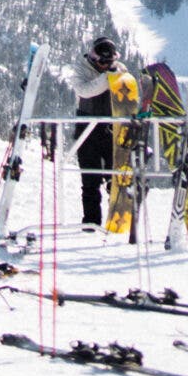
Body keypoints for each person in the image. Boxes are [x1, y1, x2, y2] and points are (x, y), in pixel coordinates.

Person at [74, 36, 123, 230]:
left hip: (112, 128)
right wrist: (107, 77)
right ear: (94, 58)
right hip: (87, 127)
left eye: (109, 62)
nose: (105, 66)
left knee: (115, 177)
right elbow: (84, 90)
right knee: (90, 178)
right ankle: (91, 222)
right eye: (102, 62)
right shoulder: (81, 69)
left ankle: (118, 220)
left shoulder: (120, 69)